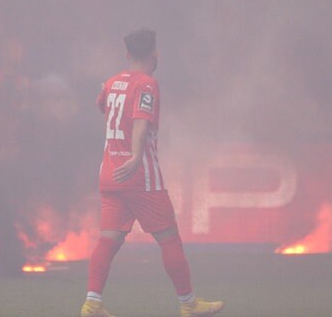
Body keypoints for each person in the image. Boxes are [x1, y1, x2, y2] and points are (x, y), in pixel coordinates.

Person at [80, 29, 224, 317]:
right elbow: (140, 122)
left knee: (109, 239)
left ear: (127, 54)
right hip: (139, 175)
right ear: (154, 54)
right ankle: (188, 303)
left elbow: (100, 106)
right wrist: (135, 157)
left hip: (109, 173)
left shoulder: (112, 82)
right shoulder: (147, 84)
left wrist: (109, 92)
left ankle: (92, 303)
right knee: (169, 238)